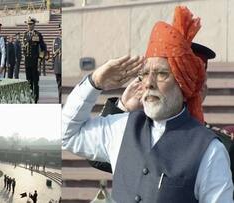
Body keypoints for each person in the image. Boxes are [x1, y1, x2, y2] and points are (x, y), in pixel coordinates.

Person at [62, 6, 233, 202]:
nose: (149, 83)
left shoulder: (209, 149)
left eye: (161, 74)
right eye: (144, 74)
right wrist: (94, 83)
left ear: (183, 84)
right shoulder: (122, 127)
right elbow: (68, 134)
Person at [23, 17, 47, 103]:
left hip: (35, 62)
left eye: (31, 24)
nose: (29, 26)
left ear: (34, 25)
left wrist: (40, 59)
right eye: (28, 24)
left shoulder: (38, 35)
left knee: (35, 82)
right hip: (27, 62)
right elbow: (24, 48)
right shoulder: (25, 34)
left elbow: (43, 48)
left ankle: (35, 99)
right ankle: (30, 98)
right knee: (28, 81)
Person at [52, 25, 62, 103]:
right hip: (57, 67)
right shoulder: (55, 40)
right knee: (59, 85)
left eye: (62, 29)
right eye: (60, 29)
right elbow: (53, 52)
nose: (60, 31)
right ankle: (60, 101)